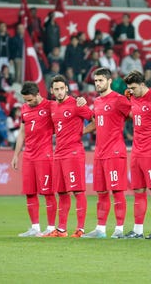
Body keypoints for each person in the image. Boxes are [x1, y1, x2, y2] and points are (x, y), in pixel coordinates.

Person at [80, 68, 131, 238]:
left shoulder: (119, 100)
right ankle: (100, 230)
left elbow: (135, 115)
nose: (97, 84)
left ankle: (119, 230)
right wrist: (79, 132)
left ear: (109, 81)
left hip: (115, 152)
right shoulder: (98, 101)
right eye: (95, 81)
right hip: (99, 153)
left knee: (117, 191)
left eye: (101, 80)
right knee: (101, 192)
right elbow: (96, 123)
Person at [10, 81, 57, 237]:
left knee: (48, 192)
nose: (27, 103)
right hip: (28, 155)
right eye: (25, 100)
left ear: (38, 94)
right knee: (30, 192)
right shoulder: (24, 109)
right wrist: (16, 154)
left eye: (30, 100)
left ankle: (51, 228)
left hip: (44, 155)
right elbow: (22, 132)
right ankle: (35, 228)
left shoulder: (50, 105)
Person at [48, 75, 92, 238]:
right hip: (58, 153)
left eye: (61, 88)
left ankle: (80, 229)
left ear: (66, 88)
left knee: (78, 191)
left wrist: (81, 132)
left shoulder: (76, 104)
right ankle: (61, 230)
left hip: (73, 153)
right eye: (56, 89)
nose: (59, 92)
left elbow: (94, 119)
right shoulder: (52, 106)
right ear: (52, 91)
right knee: (61, 192)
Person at [123, 70, 151, 239]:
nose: (131, 91)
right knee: (138, 191)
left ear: (142, 85)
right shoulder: (131, 96)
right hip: (136, 151)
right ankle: (138, 230)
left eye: (133, 87)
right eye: (129, 88)